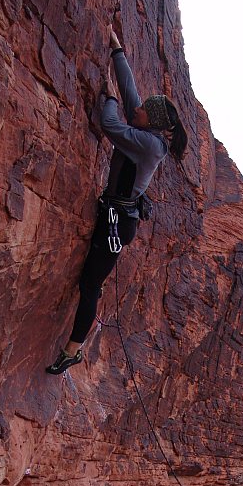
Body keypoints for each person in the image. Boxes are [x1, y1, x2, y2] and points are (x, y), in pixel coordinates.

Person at [46, 26, 188, 374]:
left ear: (149, 123)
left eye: (140, 112)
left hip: (118, 224)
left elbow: (110, 123)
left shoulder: (150, 145)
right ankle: (74, 345)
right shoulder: (148, 130)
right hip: (116, 215)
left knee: (90, 284)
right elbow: (131, 94)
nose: (135, 109)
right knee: (89, 280)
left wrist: (108, 97)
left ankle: (72, 350)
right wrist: (117, 50)